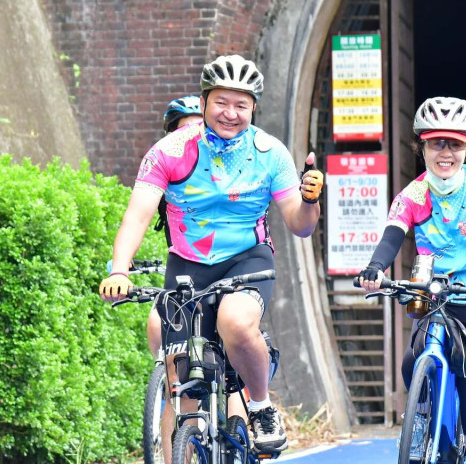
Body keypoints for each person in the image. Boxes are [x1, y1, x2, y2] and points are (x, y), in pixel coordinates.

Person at [99, 54, 324, 457]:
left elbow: (300, 224)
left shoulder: (271, 153)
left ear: (254, 107)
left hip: (248, 260)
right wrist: (119, 269)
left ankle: (259, 404)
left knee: (235, 323)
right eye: (221, 102)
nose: (231, 113)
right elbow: (137, 215)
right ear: (204, 102)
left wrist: (310, 201)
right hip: (187, 266)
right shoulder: (170, 150)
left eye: (241, 104)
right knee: (184, 389)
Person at [356, 96, 466, 464]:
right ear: (421, 146)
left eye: (455, 144)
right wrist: (375, 268)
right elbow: (392, 236)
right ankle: (423, 425)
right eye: (436, 142)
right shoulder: (413, 195)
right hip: (437, 298)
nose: (446, 152)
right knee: (412, 363)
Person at [144, 95, 204, 358]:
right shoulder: (163, 172)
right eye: (183, 130)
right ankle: (165, 386)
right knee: (157, 324)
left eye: (199, 128)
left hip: (227, 270)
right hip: (184, 270)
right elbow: (138, 218)